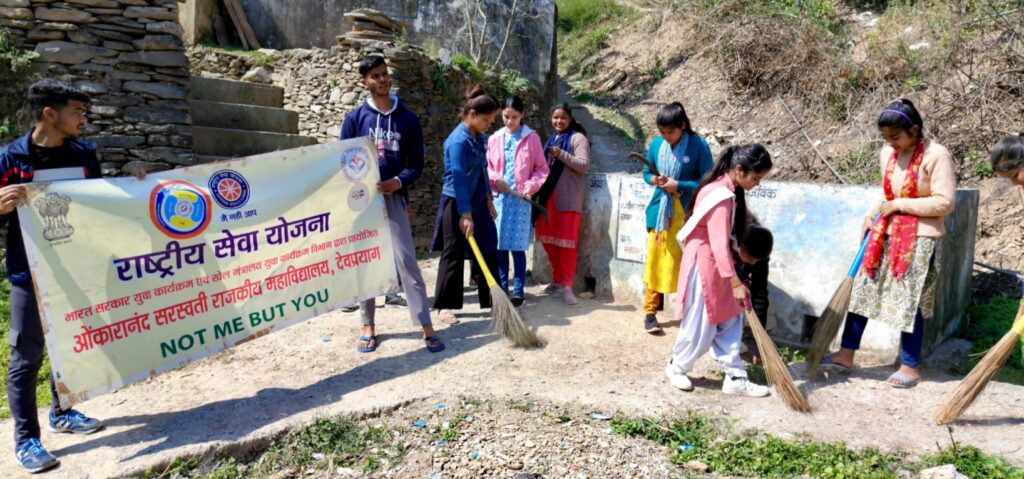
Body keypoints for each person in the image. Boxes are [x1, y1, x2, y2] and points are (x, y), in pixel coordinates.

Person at [1, 80, 108, 473]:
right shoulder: (10, 159)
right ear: (50, 114)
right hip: (28, 272)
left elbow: (100, 200)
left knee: (70, 345)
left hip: (75, 267)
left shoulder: (85, 154)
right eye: (77, 111)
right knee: (26, 357)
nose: (84, 119)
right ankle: (26, 440)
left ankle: (62, 412)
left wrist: (134, 180)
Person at [825, 99, 956, 388]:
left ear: (914, 129)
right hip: (885, 230)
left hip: (919, 238)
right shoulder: (888, 154)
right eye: (886, 138)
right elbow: (887, 194)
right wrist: (871, 215)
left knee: (910, 301)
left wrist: (899, 204)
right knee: (863, 289)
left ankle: (910, 365)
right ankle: (846, 353)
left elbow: (945, 202)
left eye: (896, 137)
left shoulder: (937, 155)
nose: (891, 144)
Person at [340, 55, 443, 353]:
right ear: (365, 82)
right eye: (375, 76)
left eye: (384, 74)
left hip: (396, 198)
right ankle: (368, 325)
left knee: (407, 261)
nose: (383, 80)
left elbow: (417, 164)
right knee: (367, 263)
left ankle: (425, 325)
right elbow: (343, 160)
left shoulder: (407, 119)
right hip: (363, 204)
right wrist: (360, 187)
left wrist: (398, 182)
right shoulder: (355, 119)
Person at [665, 143, 773, 398]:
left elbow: (725, 243)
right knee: (701, 324)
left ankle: (735, 376)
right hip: (706, 265)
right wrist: (736, 282)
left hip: (718, 266)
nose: (756, 183)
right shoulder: (720, 197)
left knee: (730, 317)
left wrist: (736, 281)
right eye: (756, 178)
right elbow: (717, 244)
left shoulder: (727, 192)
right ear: (739, 169)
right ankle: (677, 367)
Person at [430, 86, 501, 325]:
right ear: (471, 114)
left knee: (489, 245)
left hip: (478, 200)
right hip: (456, 202)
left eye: (491, 121)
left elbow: (482, 169)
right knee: (453, 252)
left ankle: (494, 302)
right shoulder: (457, 142)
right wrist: (465, 213)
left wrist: (488, 198)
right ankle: (444, 305)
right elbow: (459, 178)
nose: (489, 125)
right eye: (486, 120)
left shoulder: (479, 138)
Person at [640, 102, 713, 333]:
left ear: (682, 125)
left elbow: (707, 180)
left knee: (687, 265)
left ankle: (688, 313)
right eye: (662, 133)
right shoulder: (656, 144)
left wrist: (678, 185)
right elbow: (647, 172)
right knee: (655, 261)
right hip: (660, 213)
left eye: (670, 132)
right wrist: (655, 181)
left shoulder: (698, 145)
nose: (666, 137)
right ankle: (650, 313)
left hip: (687, 214)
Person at [486, 95, 549, 307]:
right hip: (500, 200)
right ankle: (503, 288)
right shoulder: (495, 138)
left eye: (514, 117)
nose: (509, 121)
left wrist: (529, 188)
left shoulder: (532, 138)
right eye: (505, 116)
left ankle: (519, 290)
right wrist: (496, 180)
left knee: (518, 247)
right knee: (500, 247)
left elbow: (541, 169)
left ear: (522, 115)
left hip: (521, 201)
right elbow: (487, 167)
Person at [534, 103, 590, 305]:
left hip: (568, 199)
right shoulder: (552, 138)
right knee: (548, 240)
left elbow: (583, 165)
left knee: (567, 244)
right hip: (548, 197)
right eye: (555, 118)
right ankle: (556, 280)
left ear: (570, 119)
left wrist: (562, 155)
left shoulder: (577, 138)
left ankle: (567, 286)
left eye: (563, 118)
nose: (559, 121)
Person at [736, 222, 773, 363]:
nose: (754, 263)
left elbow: (760, 293)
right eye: (751, 258)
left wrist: (759, 341)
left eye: (759, 259)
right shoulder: (724, 247)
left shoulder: (758, 254)